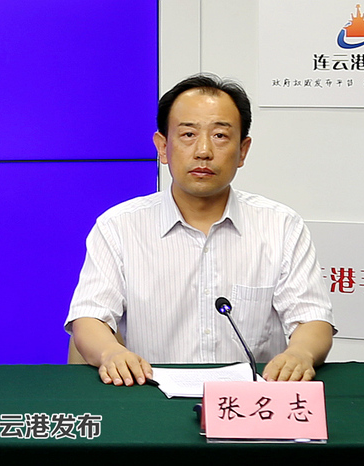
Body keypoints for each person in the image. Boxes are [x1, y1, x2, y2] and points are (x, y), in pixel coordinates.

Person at [65, 73, 335, 386]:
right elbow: (90, 317)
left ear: (242, 150)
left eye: (220, 135)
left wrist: (300, 353)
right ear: (163, 147)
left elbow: (313, 319)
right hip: (149, 394)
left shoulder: (281, 225)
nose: (203, 150)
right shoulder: (119, 226)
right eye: (188, 134)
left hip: (251, 402)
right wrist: (112, 352)